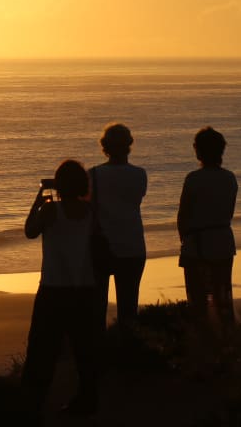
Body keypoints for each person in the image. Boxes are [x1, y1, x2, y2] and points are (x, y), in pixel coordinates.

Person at [21, 160, 99, 419]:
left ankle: (32, 405)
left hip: (54, 289)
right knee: (84, 351)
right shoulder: (91, 211)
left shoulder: (51, 211)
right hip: (84, 289)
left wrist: (37, 199)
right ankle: (87, 402)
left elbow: (29, 231)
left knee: (42, 351)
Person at [176, 127, 238, 332]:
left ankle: (205, 341)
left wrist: (184, 240)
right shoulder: (229, 178)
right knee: (223, 295)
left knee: (197, 301)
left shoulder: (193, 179)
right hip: (222, 240)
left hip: (197, 244)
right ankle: (227, 337)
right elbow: (229, 211)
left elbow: (183, 215)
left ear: (198, 150)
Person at [89, 123, 147, 328]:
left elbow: (89, 210)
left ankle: (100, 353)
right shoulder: (140, 174)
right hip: (133, 245)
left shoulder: (93, 175)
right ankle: (127, 350)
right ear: (129, 145)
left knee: (97, 309)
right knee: (129, 309)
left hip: (101, 247)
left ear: (104, 146)